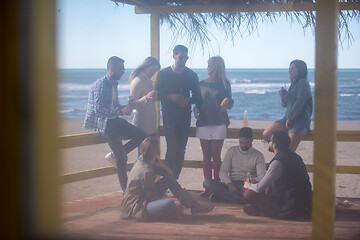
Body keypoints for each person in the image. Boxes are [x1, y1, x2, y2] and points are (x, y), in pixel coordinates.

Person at [83, 56, 147, 192]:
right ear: (112, 68)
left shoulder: (114, 83)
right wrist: (119, 112)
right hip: (105, 125)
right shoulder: (101, 84)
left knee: (142, 136)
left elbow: (115, 105)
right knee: (122, 159)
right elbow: (98, 109)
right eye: (121, 69)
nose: (123, 71)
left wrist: (126, 108)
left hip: (114, 121)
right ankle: (126, 192)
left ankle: (117, 154)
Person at [120, 137, 214, 221]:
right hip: (136, 208)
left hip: (142, 199)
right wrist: (176, 208)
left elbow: (171, 176)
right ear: (156, 152)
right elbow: (153, 197)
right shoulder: (146, 171)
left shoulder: (142, 160)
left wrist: (160, 164)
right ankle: (187, 207)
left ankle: (194, 206)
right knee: (170, 204)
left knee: (168, 180)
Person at [155, 45, 201, 180]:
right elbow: (156, 94)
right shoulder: (163, 74)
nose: (184, 60)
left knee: (181, 149)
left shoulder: (191, 75)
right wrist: (170, 96)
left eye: (186, 57)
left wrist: (189, 101)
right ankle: (167, 181)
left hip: (185, 116)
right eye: (181, 57)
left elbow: (198, 97)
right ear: (174, 56)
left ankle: (174, 180)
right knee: (172, 148)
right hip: (169, 116)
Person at [242, 131, 312, 219]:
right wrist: (258, 182)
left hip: (291, 207)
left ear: (275, 145)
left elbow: (259, 189)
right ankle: (260, 210)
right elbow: (285, 180)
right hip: (304, 202)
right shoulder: (294, 156)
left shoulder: (278, 162)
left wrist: (248, 185)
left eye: (270, 141)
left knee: (248, 194)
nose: (269, 142)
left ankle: (266, 211)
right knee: (265, 188)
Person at [105, 57, 160, 162]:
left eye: (155, 72)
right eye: (151, 71)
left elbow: (146, 103)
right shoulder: (138, 81)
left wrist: (153, 99)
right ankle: (117, 155)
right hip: (142, 124)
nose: (152, 74)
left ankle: (117, 155)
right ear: (145, 67)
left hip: (151, 124)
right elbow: (129, 105)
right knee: (143, 158)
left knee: (149, 158)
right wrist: (146, 98)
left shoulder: (147, 81)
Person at [193, 56, 234, 197]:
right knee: (206, 155)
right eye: (207, 64)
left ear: (217, 67)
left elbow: (231, 103)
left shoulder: (225, 84)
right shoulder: (201, 83)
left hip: (219, 122)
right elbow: (198, 101)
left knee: (216, 155)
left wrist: (227, 100)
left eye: (210, 65)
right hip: (203, 122)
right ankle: (207, 187)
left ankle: (216, 188)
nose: (208, 67)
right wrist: (196, 107)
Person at [203, 127, 266, 203]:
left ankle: (228, 197)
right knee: (207, 183)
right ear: (238, 140)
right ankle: (238, 198)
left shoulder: (258, 155)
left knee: (252, 191)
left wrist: (253, 180)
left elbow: (262, 176)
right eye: (241, 142)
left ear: (251, 140)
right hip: (232, 183)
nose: (243, 145)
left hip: (247, 185)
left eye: (246, 143)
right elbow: (223, 171)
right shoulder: (232, 151)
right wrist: (229, 183)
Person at [262, 59, 313, 152]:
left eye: (293, 69)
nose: (290, 71)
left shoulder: (303, 83)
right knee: (266, 134)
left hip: (299, 121)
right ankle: (276, 148)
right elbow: (285, 105)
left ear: (300, 70)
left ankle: (281, 155)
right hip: (287, 118)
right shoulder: (294, 84)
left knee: (288, 151)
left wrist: (290, 118)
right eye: (289, 69)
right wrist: (282, 96)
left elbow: (299, 102)